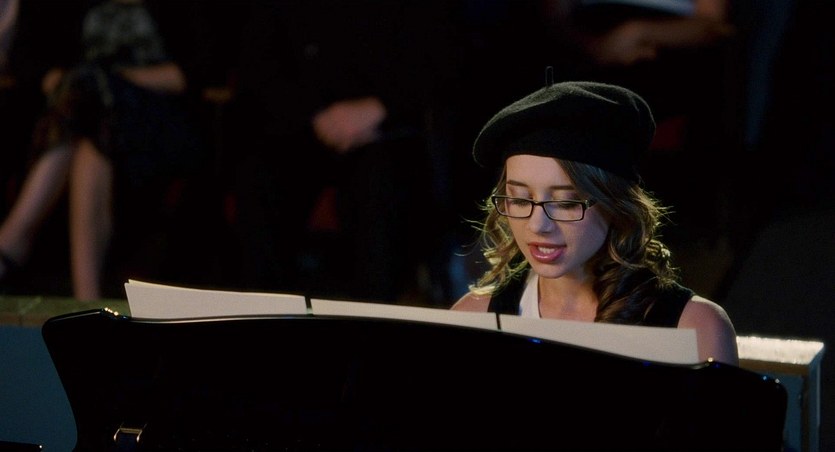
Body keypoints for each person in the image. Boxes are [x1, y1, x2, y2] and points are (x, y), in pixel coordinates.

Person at [451, 79, 738, 365]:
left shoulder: (694, 327)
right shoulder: (473, 319)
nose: (538, 226)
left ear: (615, 205)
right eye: (521, 200)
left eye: (566, 203)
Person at [229, 0, 457, 303]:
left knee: (381, 186)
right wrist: (316, 115)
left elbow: (444, 60)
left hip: (387, 129)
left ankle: (375, 314)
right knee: (258, 177)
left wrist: (381, 106)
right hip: (302, 125)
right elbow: (258, 64)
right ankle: (266, 311)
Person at [0, 0, 209, 300]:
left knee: (91, 93)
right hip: (88, 120)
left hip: (157, 120)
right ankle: (87, 297)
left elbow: (196, 70)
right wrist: (65, 81)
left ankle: (13, 238)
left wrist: (111, 81)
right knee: (92, 138)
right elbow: (29, 59)